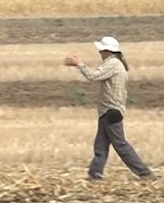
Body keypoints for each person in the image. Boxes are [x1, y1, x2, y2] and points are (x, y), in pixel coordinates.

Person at [64, 36, 154, 181]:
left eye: (101, 50)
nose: (100, 52)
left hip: (110, 111)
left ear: (106, 50)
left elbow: (93, 76)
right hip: (108, 111)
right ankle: (95, 174)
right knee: (101, 144)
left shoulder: (112, 64)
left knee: (120, 145)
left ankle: (145, 173)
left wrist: (79, 64)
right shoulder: (116, 63)